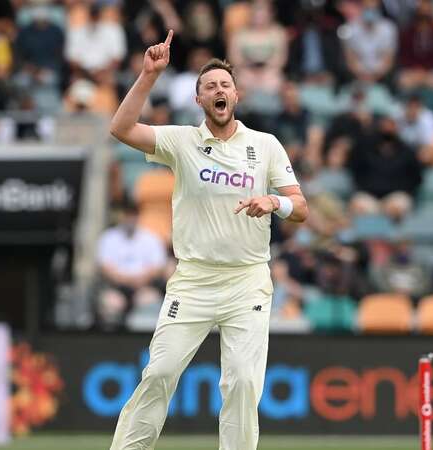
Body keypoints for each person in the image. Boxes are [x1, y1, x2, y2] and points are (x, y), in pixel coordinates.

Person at [107, 30, 308, 450]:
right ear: (199, 100)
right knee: (159, 373)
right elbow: (121, 127)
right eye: (209, 87)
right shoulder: (182, 141)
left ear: (236, 96)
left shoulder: (264, 145)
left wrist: (273, 202)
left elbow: (301, 207)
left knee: (242, 382)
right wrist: (148, 75)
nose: (218, 91)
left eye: (225, 85)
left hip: (247, 280)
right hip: (193, 280)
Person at [96, 201, 167, 330]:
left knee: (150, 300)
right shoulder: (108, 237)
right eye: (127, 214)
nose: (130, 218)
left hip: (144, 286)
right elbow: (105, 268)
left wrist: (140, 279)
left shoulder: (151, 238)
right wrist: (127, 280)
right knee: (111, 302)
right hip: (117, 287)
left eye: (133, 214)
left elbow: (158, 267)